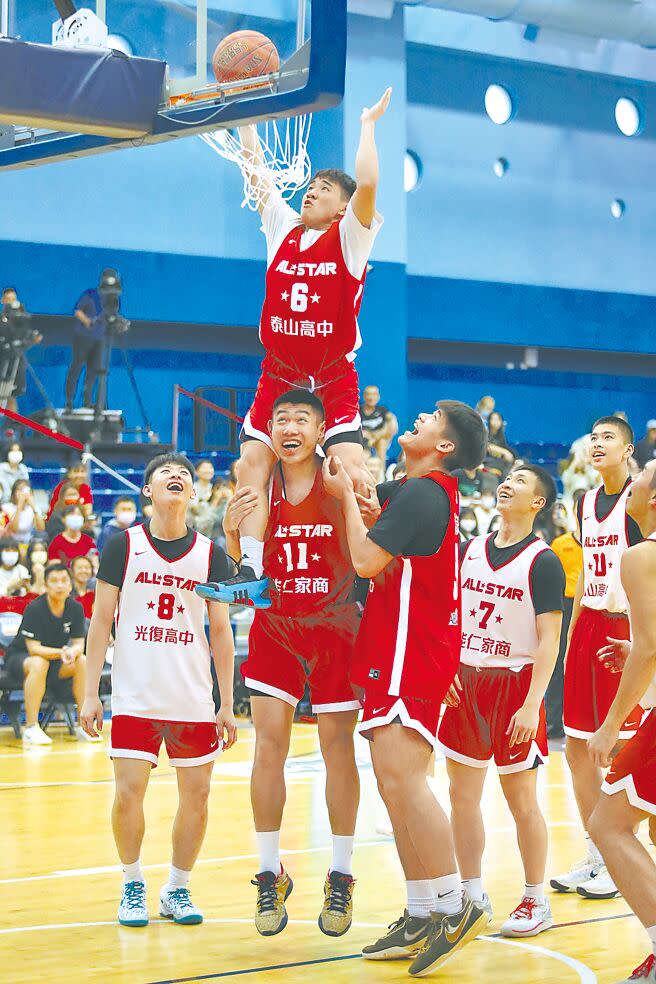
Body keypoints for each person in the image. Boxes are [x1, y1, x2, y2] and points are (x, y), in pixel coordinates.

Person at [324, 400, 489, 976]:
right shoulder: (416, 492)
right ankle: (422, 910)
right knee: (395, 788)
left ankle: (454, 905)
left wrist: (346, 496)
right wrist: (356, 488)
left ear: (445, 446)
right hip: (401, 649)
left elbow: (367, 559)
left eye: (430, 418)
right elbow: (378, 512)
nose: (416, 418)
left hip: (408, 651)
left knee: (404, 779)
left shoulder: (426, 493)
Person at [210, 88, 391, 606]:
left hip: (332, 376)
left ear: (343, 209)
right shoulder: (283, 229)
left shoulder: (351, 239)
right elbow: (256, 174)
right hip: (280, 374)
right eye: (311, 185)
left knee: (354, 474)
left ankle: (371, 573)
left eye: (324, 189)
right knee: (250, 469)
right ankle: (248, 569)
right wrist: (249, 115)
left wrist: (367, 124)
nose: (311, 192)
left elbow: (371, 182)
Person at [206, 390, 362, 938]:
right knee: (266, 746)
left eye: (301, 418)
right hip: (276, 623)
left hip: (336, 624)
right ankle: (268, 871)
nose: (289, 426)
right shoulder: (258, 485)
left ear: (322, 430)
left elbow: (369, 551)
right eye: (280, 418)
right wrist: (229, 533)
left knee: (336, 749)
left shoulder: (340, 475)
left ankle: (341, 875)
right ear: (267, 428)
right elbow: (239, 579)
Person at [80, 453, 237, 929]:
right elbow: (101, 621)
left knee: (199, 796)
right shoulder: (121, 544)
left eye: (185, 475)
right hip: (135, 695)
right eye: (165, 472)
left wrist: (226, 703)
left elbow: (221, 631)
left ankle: (178, 888)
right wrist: (91, 694)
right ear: (147, 490)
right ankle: (131, 883)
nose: (177, 477)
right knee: (128, 795)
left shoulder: (210, 553)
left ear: (193, 493)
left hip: (191, 696)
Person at [438, 465, 565, 937]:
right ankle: (471, 894)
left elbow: (551, 639)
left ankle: (536, 899)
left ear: (538, 502)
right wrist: (448, 668)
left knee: (521, 801)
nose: (508, 483)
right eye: (507, 477)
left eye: (521, 481)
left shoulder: (542, 560)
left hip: (515, 685)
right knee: (461, 796)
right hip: (466, 682)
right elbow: (450, 616)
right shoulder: (468, 550)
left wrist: (533, 703)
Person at [551, 416, 643, 901]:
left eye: (608, 438)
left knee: (619, 748)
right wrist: (570, 642)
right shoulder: (585, 501)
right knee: (576, 749)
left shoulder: (640, 499)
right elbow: (589, 571)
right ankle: (597, 853)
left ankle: (622, 850)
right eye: (593, 438)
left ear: (629, 451)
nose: (598, 444)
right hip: (588, 622)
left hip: (626, 624)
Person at [587, 458, 656, 984]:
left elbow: (652, 646)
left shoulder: (640, 555)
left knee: (608, 826)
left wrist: (611, 724)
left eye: (641, 479)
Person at [3, 564, 91, 746]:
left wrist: (71, 652)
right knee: (38, 663)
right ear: (46, 585)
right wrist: (62, 652)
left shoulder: (75, 608)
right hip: (21, 658)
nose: (59, 585)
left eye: (64, 581)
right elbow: (34, 649)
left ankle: (83, 725)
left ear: (70, 584)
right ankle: (31, 727)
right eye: (54, 581)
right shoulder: (35, 608)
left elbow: (78, 645)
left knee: (82, 660)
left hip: (54, 660)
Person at [547, 498, 585, 739]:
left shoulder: (599, 544)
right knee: (557, 663)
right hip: (564, 605)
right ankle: (553, 721)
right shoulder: (560, 544)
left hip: (589, 605)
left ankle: (583, 721)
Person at [64, 273, 112, 410]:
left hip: (99, 340)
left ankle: (87, 402)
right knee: (77, 367)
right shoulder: (90, 294)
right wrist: (88, 322)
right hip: (83, 338)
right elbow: (77, 311)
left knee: (93, 372)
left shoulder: (111, 301)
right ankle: (69, 401)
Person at [360, 385, 398, 468]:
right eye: (369, 394)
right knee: (364, 451)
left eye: (374, 394)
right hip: (363, 440)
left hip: (379, 439)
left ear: (378, 396)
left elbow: (393, 426)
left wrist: (377, 435)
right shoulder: (359, 411)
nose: (371, 397)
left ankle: (381, 474)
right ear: (364, 396)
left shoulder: (382, 410)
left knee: (382, 442)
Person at [71, 554, 95, 619]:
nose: (83, 571)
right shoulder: (67, 592)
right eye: (79, 568)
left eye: (87, 568)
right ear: (72, 570)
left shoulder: (95, 592)